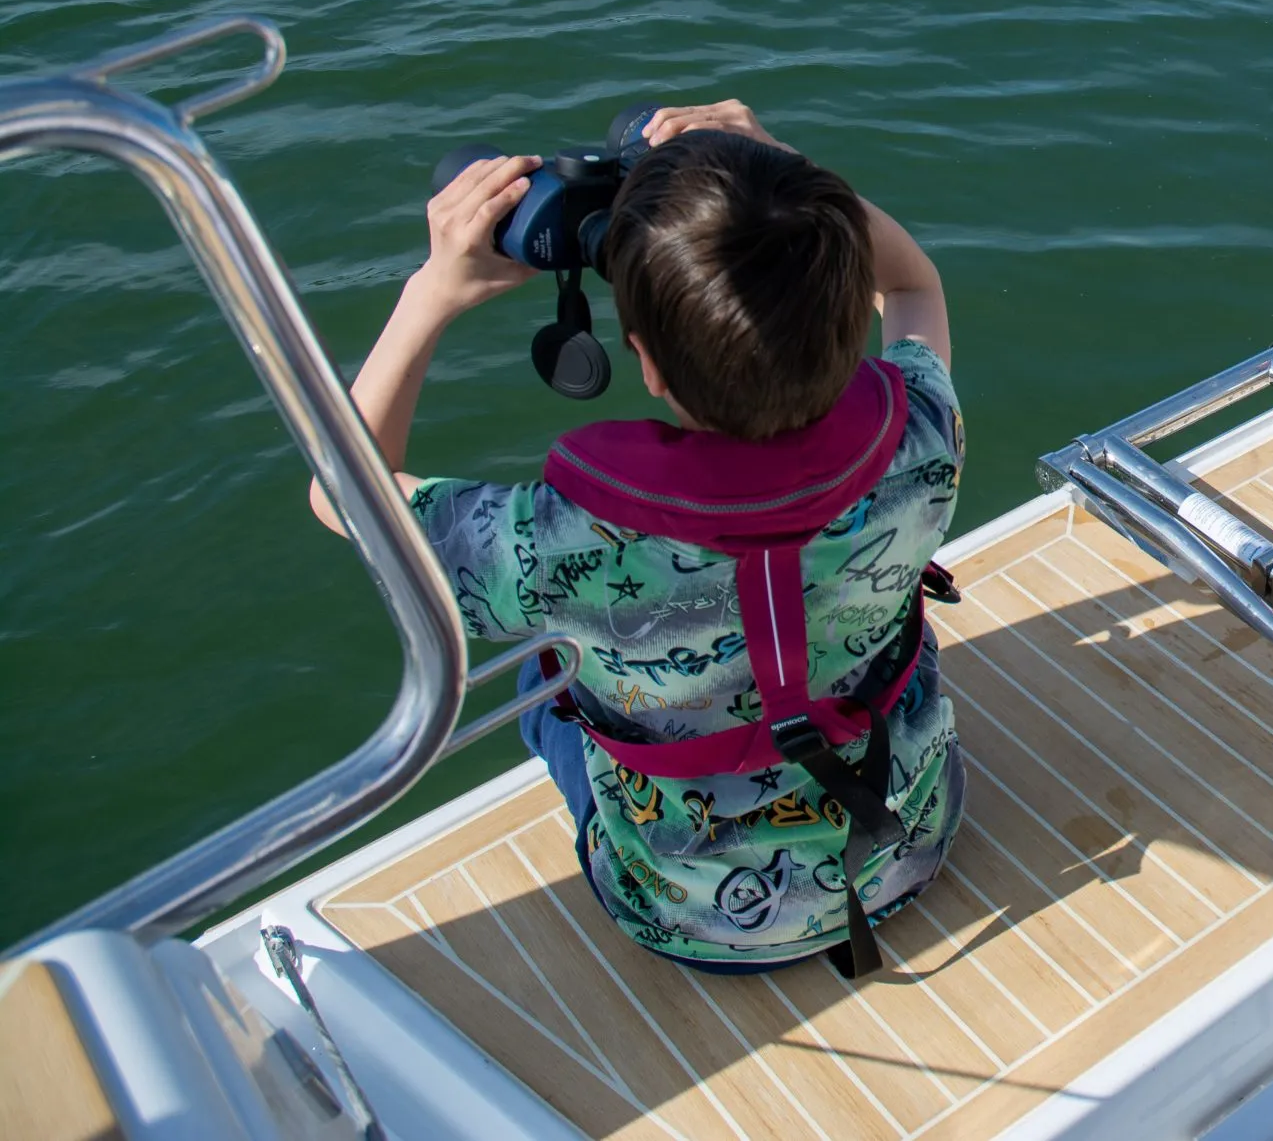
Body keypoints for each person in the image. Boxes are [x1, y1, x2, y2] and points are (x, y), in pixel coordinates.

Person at [309, 100, 965, 977]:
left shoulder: (554, 547)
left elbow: (342, 496)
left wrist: (433, 291)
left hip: (686, 918)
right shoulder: (922, 431)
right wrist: (784, 175)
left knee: (551, 680)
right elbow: (915, 283)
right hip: (910, 845)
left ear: (645, 361)